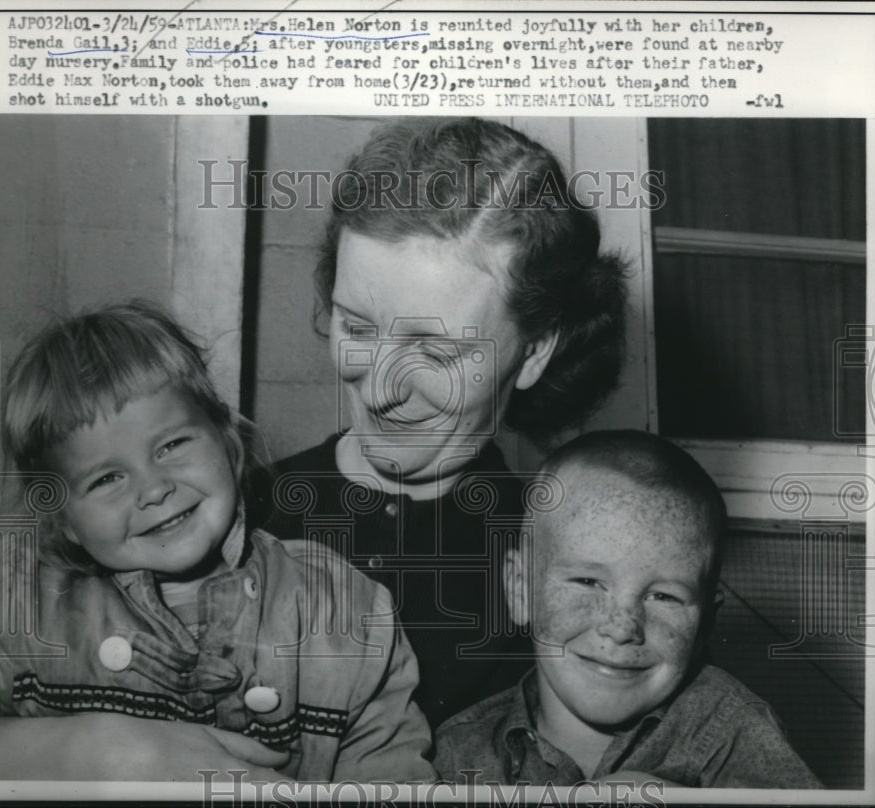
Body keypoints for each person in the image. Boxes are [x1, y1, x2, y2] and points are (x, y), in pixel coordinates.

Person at [0, 301, 435, 783]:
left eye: (172, 445)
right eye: (106, 479)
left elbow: (393, 780)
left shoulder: (345, 613)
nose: (154, 488)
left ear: (228, 439)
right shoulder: (11, 613)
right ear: (65, 518)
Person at [265, 117, 627, 730]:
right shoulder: (237, 513)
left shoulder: (566, 570)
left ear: (535, 350)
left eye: (434, 353)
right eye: (356, 327)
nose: (377, 391)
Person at [434, 430, 823, 789]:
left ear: (706, 619)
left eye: (664, 597)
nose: (622, 628)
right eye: (588, 582)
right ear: (520, 589)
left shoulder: (733, 732)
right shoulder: (459, 753)